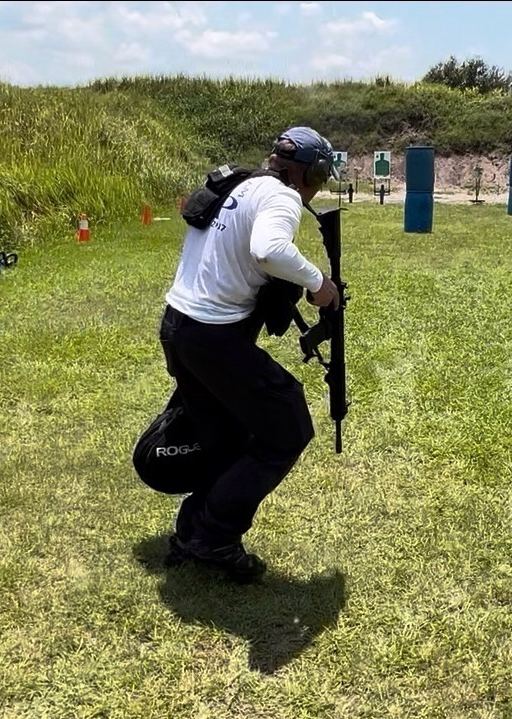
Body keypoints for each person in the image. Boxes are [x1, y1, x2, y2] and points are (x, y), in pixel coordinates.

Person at [156, 127, 343, 583]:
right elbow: (269, 249)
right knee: (287, 428)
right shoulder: (281, 196)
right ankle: (215, 536)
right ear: (309, 174)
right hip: (212, 336)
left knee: (224, 438)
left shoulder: (241, 184)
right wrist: (318, 283)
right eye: (321, 178)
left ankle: (193, 530)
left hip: (179, 327)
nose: (318, 187)